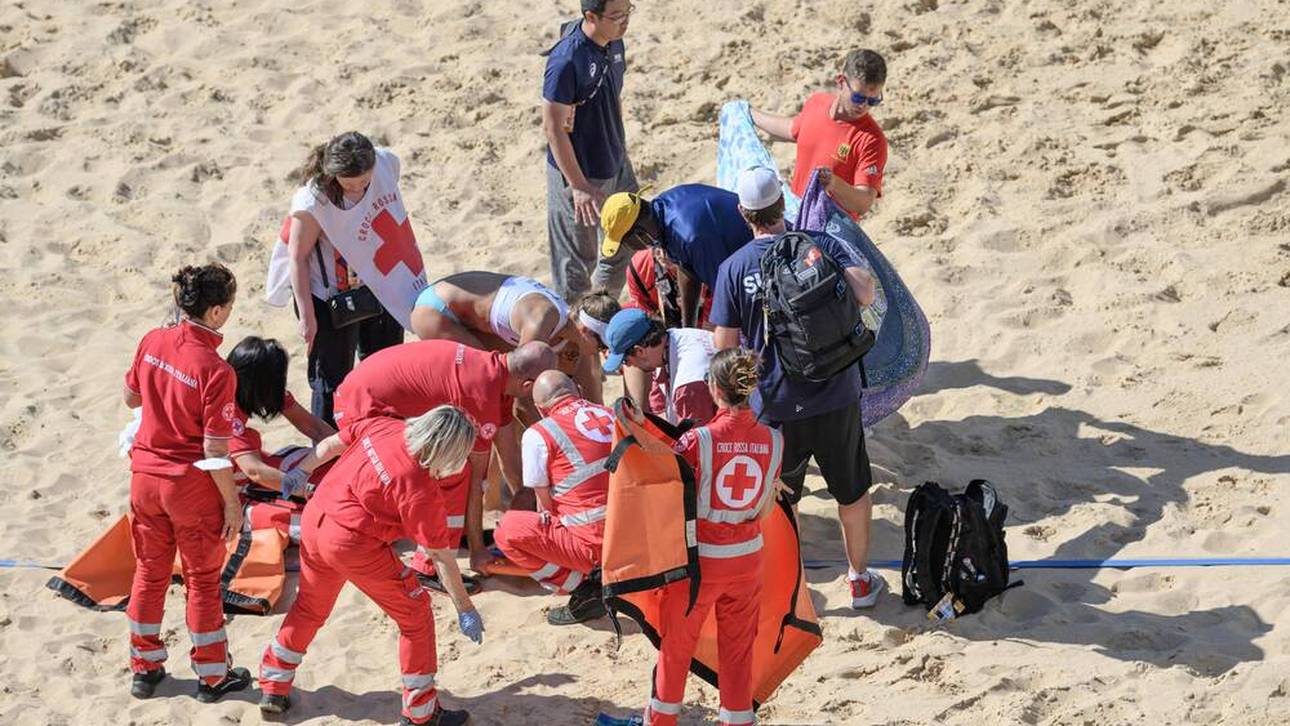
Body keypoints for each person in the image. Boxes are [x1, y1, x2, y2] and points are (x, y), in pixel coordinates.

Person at [710, 167, 885, 609]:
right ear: (782, 206)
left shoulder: (733, 268)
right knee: (852, 491)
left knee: (782, 500)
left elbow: (724, 350)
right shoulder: (818, 245)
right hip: (836, 393)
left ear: (743, 213)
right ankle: (860, 580)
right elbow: (866, 294)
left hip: (775, 403)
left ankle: (792, 586)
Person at [257, 406, 482, 726]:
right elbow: (441, 557)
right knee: (415, 613)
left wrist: (300, 470)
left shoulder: (384, 427)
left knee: (309, 606)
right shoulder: (420, 488)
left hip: (316, 516)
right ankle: (421, 712)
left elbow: (331, 444)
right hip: (352, 544)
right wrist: (465, 607)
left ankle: (273, 684)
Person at [121, 263, 252, 702]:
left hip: (144, 478)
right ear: (215, 313)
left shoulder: (152, 340)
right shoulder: (217, 370)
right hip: (188, 486)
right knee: (201, 580)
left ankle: (144, 667)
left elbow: (132, 398)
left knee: (149, 573)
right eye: (230, 306)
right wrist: (232, 506)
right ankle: (213, 676)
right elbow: (216, 453)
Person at [332, 339, 558, 574]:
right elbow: (476, 483)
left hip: (367, 396)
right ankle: (429, 566)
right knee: (456, 471)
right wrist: (478, 550)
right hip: (359, 410)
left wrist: (525, 501)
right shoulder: (480, 395)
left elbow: (507, 451)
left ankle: (452, 536)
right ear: (527, 385)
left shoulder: (496, 372)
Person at [643, 348, 783, 726]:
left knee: (676, 648)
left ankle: (661, 721)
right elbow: (765, 508)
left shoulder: (697, 441)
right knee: (737, 652)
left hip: (701, 562)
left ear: (713, 389)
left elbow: (669, 498)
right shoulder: (774, 441)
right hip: (749, 558)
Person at [270, 131, 426, 426]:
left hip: (379, 282)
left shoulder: (386, 163)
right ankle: (329, 453)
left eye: (363, 183)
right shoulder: (312, 201)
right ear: (332, 174)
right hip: (329, 297)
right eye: (348, 185)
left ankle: (384, 435)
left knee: (386, 367)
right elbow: (297, 258)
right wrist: (306, 316)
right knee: (332, 381)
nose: (357, 191)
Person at [494, 370, 611, 626]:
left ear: (540, 408)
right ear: (578, 389)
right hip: (638, 535)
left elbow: (545, 506)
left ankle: (584, 588)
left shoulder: (539, 434)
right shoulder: (610, 415)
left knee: (506, 531)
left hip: (597, 545)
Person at [543, 0, 639, 301]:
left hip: (614, 161)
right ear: (590, 17)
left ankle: (598, 316)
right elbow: (553, 128)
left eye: (628, 12)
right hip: (581, 173)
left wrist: (619, 148)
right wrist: (579, 186)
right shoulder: (566, 61)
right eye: (616, 16)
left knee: (629, 235)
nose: (624, 22)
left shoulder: (613, 41)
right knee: (576, 266)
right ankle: (576, 335)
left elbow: (614, 96)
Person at [410, 271, 604, 404]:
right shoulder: (542, 320)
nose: (604, 353)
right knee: (496, 385)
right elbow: (519, 386)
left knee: (507, 384)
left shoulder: (570, 325)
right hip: (434, 312)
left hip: (462, 300)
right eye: (603, 347)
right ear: (587, 332)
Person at [749, 49, 888, 219]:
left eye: (873, 101)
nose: (864, 106)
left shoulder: (872, 140)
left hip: (828, 234)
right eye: (858, 98)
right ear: (841, 81)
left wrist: (834, 184)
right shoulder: (817, 102)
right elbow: (794, 129)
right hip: (794, 216)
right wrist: (751, 115)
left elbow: (864, 203)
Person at [599, 184, 752, 326]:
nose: (629, 248)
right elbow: (687, 269)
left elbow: (731, 294)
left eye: (625, 243)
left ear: (640, 234)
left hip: (762, 256)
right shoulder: (662, 212)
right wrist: (688, 328)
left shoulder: (689, 237)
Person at [224, 336, 340, 499]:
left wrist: (349, 449)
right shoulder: (227, 413)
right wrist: (308, 491)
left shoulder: (258, 389)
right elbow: (254, 471)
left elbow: (315, 428)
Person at [602, 309, 716, 426]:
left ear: (639, 351)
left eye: (625, 361)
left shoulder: (687, 386)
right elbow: (660, 411)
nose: (629, 365)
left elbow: (699, 440)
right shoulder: (672, 340)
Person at [625, 248, 712, 329]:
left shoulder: (703, 255)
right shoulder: (637, 268)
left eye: (668, 246)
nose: (663, 255)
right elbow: (643, 308)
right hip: (664, 324)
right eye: (657, 245)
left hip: (703, 319)